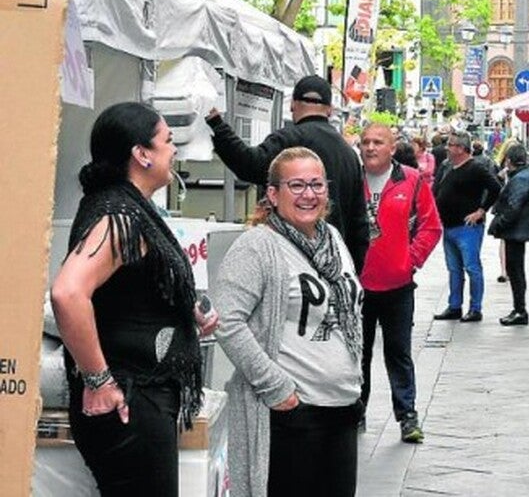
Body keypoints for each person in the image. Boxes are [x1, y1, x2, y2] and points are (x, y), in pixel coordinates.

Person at [51, 102, 212, 496]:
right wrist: (99, 381)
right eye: (167, 141)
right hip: (131, 401)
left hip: (142, 397)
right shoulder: (120, 214)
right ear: (141, 154)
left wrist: (186, 310)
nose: (174, 151)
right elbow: (68, 293)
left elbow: (132, 285)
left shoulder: (126, 205)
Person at [214, 147, 365, 497]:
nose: (308, 195)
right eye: (296, 185)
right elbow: (227, 320)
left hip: (341, 412)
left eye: (316, 185)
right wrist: (276, 387)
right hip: (293, 418)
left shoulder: (334, 240)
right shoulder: (258, 246)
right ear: (272, 193)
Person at [206, 75, 370, 271]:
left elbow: (248, 165)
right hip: (332, 265)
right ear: (329, 110)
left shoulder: (289, 139)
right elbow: (359, 225)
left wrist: (216, 124)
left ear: (293, 104)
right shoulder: (349, 154)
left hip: (289, 261)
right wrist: (351, 274)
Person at [359, 125, 443, 442]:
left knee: (398, 352)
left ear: (392, 148)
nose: (370, 147)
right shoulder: (350, 178)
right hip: (358, 285)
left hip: (398, 284)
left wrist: (410, 260)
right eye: (365, 142)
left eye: (378, 142)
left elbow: (431, 227)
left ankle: (407, 416)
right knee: (358, 353)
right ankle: (357, 411)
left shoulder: (411, 179)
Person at [432, 130, 502, 322]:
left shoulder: (475, 168)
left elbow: (496, 188)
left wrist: (481, 211)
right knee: (454, 269)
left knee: (472, 267)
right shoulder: (448, 167)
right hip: (449, 225)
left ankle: (475, 307)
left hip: (467, 227)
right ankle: (454, 306)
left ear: (461, 148)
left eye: (451, 145)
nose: (447, 148)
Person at [491, 143, 529, 325]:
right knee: (516, 269)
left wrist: (499, 223)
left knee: (516, 270)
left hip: (515, 230)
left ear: (509, 160)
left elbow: (513, 206)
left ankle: (520, 310)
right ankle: (519, 308)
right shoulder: (525, 176)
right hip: (518, 229)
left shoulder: (521, 179)